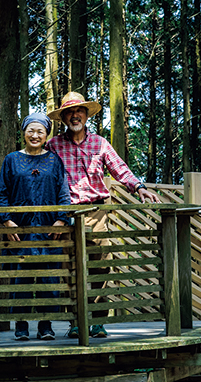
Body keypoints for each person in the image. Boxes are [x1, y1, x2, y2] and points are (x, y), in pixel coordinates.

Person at [46, 91, 160, 339]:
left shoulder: (100, 143)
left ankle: (97, 321)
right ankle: (76, 322)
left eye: (79, 111)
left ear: (86, 115)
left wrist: (139, 187)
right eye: (70, 112)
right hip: (66, 215)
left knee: (102, 266)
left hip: (97, 211)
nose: (75, 115)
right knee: (69, 269)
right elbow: (41, 174)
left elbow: (120, 169)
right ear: (64, 117)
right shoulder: (53, 145)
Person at [0, 112, 72, 341]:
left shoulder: (54, 160)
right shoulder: (11, 159)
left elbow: (63, 193)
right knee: (21, 278)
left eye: (40, 131)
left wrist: (61, 219)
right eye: (31, 130)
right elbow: (2, 194)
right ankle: (20, 326)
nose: (35, 135)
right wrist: (7, 220)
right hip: (20, 231)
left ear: (46, 134)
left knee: (49, 278)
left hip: (49, 231)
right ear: (24, 132)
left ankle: (45, 326)